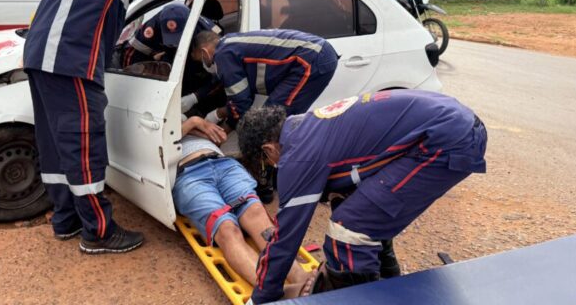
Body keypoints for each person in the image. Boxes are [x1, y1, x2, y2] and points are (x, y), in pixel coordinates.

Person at [23, 0, 196, 254]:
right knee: (83, 144)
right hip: (69, 57)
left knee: (58, 146)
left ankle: (67, 220)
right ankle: (99, 233)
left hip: (44, 55)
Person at [236, 90, 487, 303]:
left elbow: (286, 237)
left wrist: (261, 297)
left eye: (265, 161)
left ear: (268, 149)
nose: (271, 166)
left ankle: (361, 297)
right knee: (359, 211)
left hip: (446, 140)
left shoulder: (297, 155)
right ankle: (387, 283)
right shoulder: (306, 126)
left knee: (349, 229)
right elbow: (347, 185)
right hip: (453, 124)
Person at [173, 115, 310, 293]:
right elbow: (155, 149)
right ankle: (274, 293)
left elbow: (217, 138)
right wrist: (193, 123)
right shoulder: (159, 120)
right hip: (188, 173)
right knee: (227, 228)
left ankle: (301, 278)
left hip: (222, 163)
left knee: (256, 213)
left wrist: (197, 126)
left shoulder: (187, 116)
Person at [190, 29, 338, 129]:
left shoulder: (222, 55)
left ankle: (281, 162)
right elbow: (238, 91)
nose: (204, 64)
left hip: (311, 60)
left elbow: (241, 102)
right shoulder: (229, 43)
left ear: (204, 52)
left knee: (271, 117)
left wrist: (223, 126)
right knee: (273, 115)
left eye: (200, 60)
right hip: (314, 54)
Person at [121, 2, 221, 67]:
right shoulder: (152, 28)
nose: (174, 43)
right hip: (159, 56)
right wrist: (153, 56)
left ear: (189, 24)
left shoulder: (206, 30)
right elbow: (134, 50)